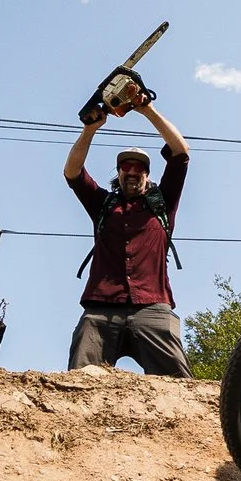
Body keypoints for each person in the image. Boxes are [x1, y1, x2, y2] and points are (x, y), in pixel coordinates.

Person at [63, 98, 190, 378]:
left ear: (147, 174)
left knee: (180, 387)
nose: (131, 171)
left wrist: (146, 109)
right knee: (80, 381)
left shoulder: (163, 203)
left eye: (139, 168)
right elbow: (72, 173)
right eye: (125, 167)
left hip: (153, 306)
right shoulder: (103, 204)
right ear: (118, 173)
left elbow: (180, 153)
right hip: (100, 309)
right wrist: (90, 130)